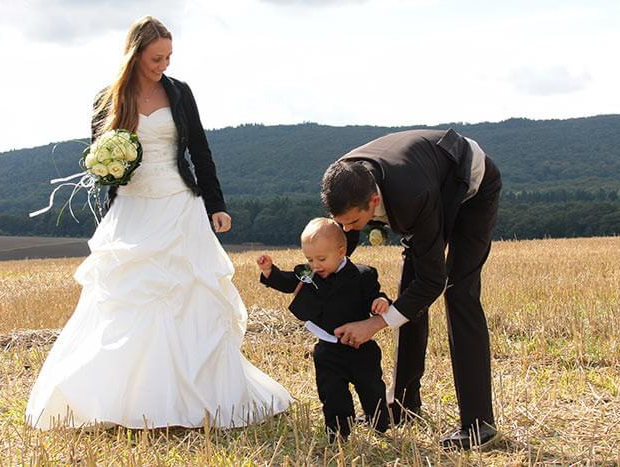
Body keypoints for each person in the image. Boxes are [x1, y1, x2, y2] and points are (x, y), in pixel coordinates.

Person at [25, 16, 292, 430]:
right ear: (135, 54)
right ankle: (124, 403)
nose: (163, 64)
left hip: (179, 205)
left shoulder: (179, 93)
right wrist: (110, 171)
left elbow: (200, 151)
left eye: (168, 57)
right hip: (132, 211)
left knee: (190, 299)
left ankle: (197, 401)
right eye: (156, 58)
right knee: (126, 303)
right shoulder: (107, 98)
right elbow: (99, 163)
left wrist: (215, 204)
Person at [320, 129, 502, 450]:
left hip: (471, 186)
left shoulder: (410, 195)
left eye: (354, 222)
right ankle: (404, 406)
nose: (348, 230)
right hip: (428, 183)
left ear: (373, 202)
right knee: (408, 293)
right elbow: (339, 243)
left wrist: (374, 325)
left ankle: (479, 424)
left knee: (459, 293)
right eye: (342, 222)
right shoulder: (345, 178)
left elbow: (432, 281)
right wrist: (311, 277)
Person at [256, 218, 390, 441]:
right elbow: (289, 282)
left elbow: (375, 294)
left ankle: (378, 421)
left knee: (371, 387)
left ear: (341, 251)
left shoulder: (363, 275)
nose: (315, 264)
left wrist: (380, 301)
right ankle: (338, 431)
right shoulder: (310, 273)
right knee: (331, 391)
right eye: (309, 258)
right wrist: (270, 271)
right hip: (327, 348)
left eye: (321, 258)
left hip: (361, 348)